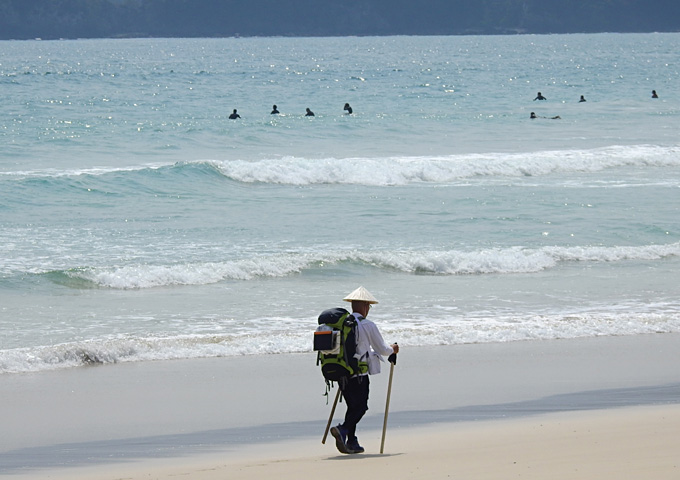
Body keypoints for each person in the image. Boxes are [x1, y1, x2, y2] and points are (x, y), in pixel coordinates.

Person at [329, 286, 399, 455]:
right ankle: (343, 430)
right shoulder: (367, 325)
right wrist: (393, 349)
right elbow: (382, 349)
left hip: (342, 372)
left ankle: (352, 442)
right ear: (366, 306)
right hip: (359, 374)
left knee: (352, 407)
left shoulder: (342, 324)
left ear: (353, 305)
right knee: (361, 408)